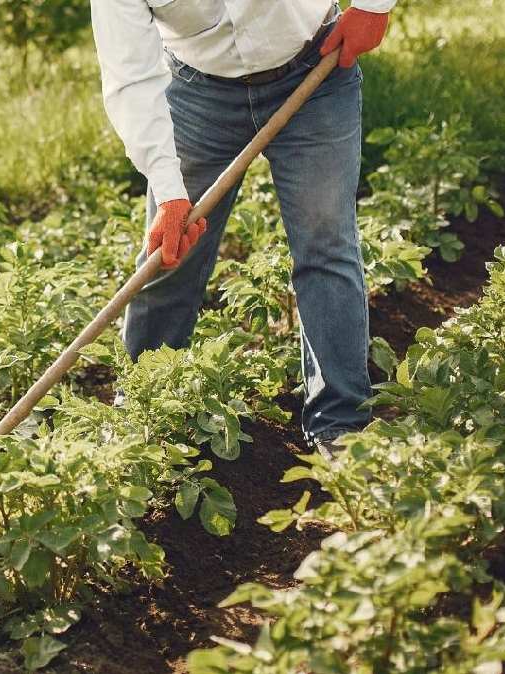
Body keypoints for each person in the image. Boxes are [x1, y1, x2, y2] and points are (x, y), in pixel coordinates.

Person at [89, 1, 394, 453]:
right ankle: (141, 411)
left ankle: (341, 423)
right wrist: (170, 189)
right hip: (198, 94)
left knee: (325, 245)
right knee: (171, 253)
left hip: (315, 65)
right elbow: (130, 76)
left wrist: (373, 6)